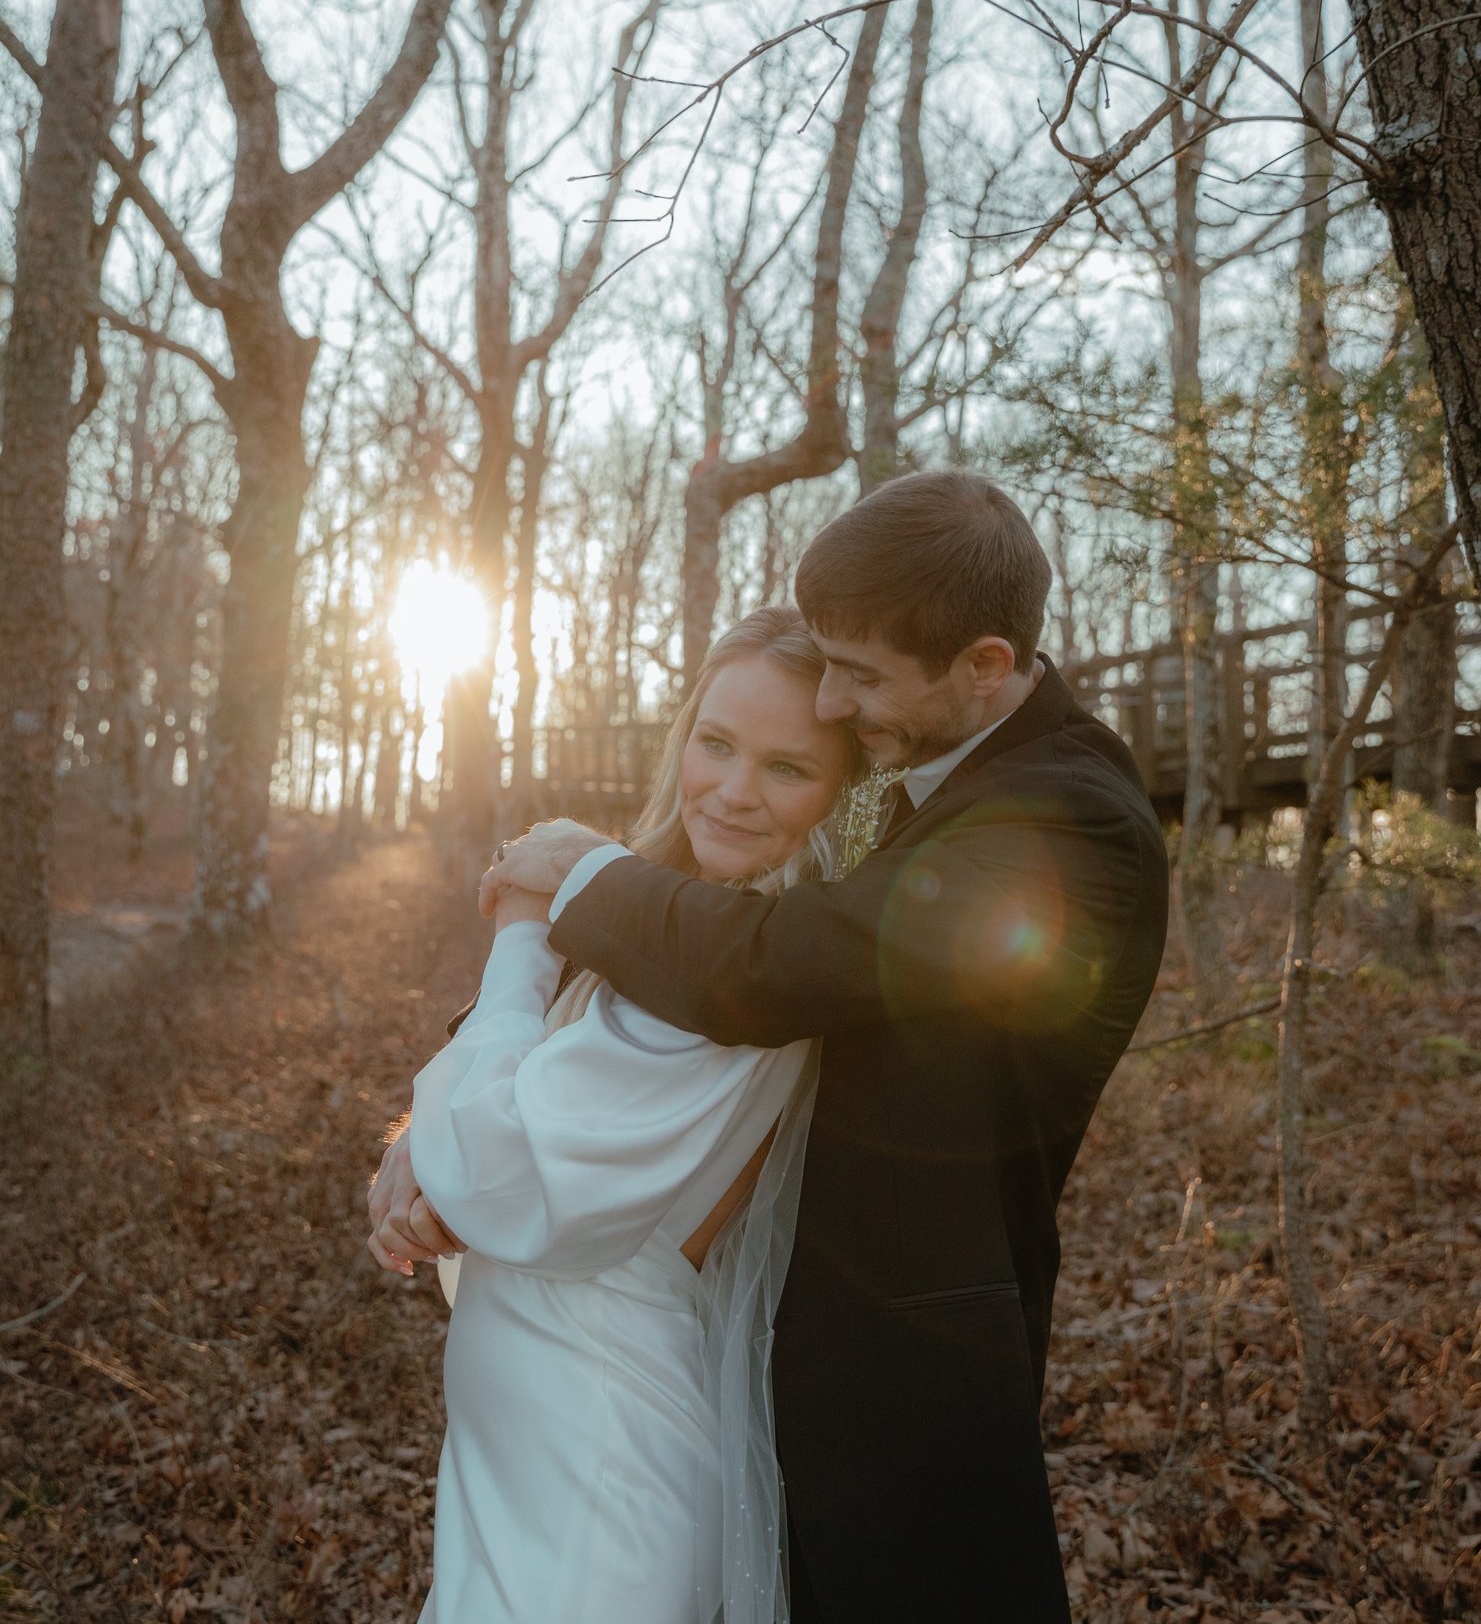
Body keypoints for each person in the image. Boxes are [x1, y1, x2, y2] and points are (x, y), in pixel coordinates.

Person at [407, 469, 1171, 1623]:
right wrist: (423, 1126)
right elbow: (674, 978)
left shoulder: (1066, 821)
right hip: (756, 1356)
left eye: (859, 679)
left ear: (985, 664)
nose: (837, 704)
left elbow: (779, 962)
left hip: (896, 1374)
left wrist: (573, 880)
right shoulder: (932, 789)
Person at [387, 607, 867, 1624]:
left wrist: (521, 932)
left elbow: (501, 1163)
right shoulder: (677, 935)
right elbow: (503, 1139)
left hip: (594, 1468)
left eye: (788, 767)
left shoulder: (729, 976)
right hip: (527, 1455)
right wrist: (414, 1156)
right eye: (717, 742)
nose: (733, 791)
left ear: (841, 791)